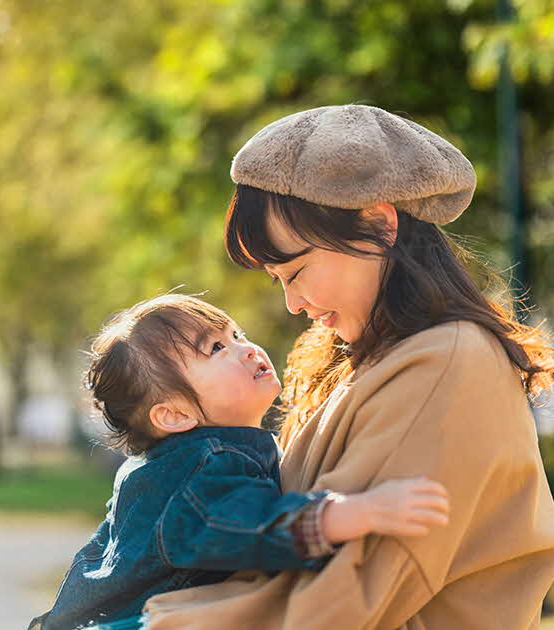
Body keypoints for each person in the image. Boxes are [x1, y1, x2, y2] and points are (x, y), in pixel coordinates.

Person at [142, 105, 554, 629]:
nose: (293, 303)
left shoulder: (447, 363)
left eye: (297, 270)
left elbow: (345, 600)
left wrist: (152, 623)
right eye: (278, 280)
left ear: (380, 224)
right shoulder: (355, 360)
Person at [29, 294, 449, 630]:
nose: (245, 349)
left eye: (236, 333)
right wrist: (360, 512)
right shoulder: (201, 468)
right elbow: (249, 526)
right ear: (175, 415)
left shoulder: (182, 460)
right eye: (215, 348)